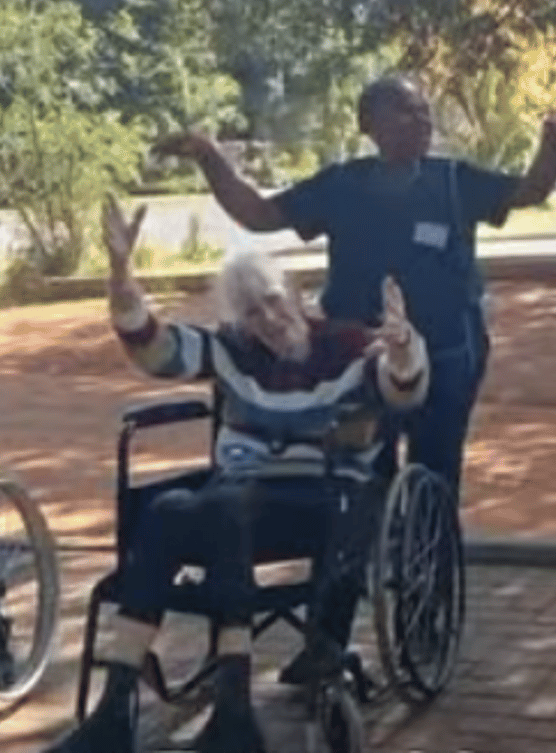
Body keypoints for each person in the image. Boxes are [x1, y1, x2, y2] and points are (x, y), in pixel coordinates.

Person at [46, 198, 429, 753]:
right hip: (240, 506)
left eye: (273, 301)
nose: (268, 319)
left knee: (215, 505)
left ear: (296, 296)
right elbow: (156, 350)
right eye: (251, 312)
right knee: (169, 509)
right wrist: (122, 277)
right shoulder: (234, 351)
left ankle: (228, 712)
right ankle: (122, 708)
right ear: (238, 321)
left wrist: (404, 349)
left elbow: (405, 389)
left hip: (326, 505)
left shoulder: (346, 345)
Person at [153, 77, 556, 504]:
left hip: (446, 354)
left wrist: (551, 143)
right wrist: (209, 156)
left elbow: (530, 190)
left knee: (435, 475)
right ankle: (364, 563)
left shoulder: (456, 182)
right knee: (360, 474)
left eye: (424, 110)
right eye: (405, 110)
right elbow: (258, 214)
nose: (421, 119)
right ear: (370, 124)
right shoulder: (340, 186)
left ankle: (431, 563)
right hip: (356, 362)